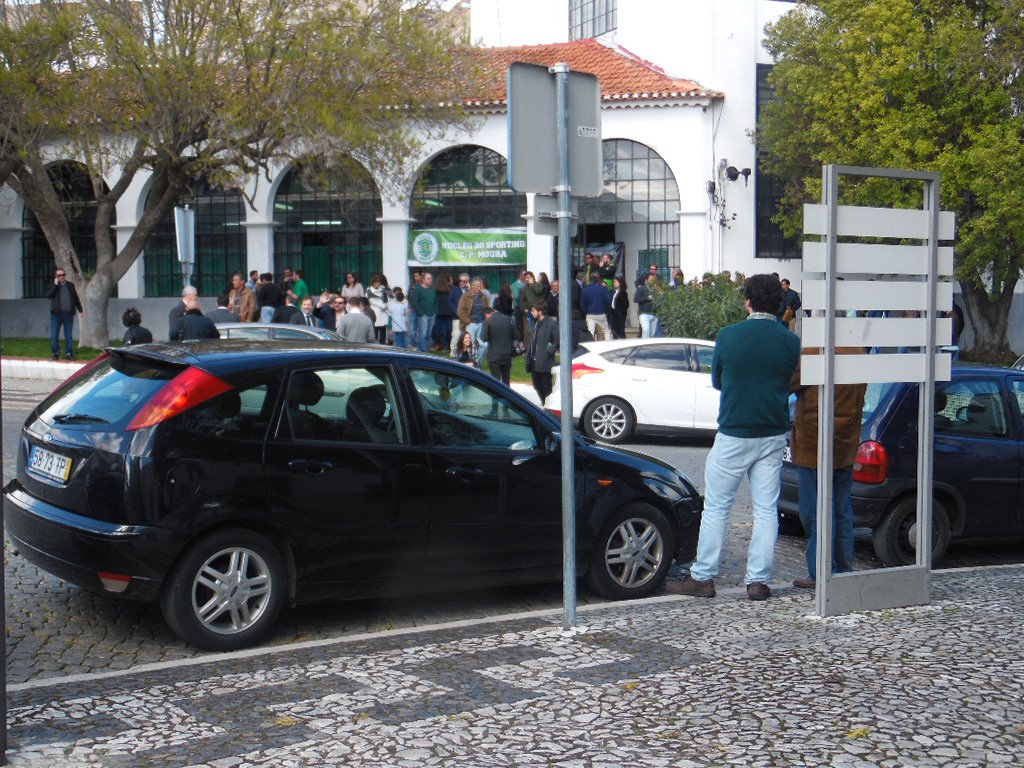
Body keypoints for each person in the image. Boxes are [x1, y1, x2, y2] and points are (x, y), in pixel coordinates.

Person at [665, 274, 800, 601]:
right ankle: (758, 581)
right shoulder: (790, 341)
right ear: (779, 303)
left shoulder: (729, 335)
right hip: (773, 432)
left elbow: (717, 381)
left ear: (748, 301)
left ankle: (703, 577)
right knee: (766, 509)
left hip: (735, 430)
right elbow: (790, 382)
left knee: (717, 506)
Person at [790, 347, 867, 589]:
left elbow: (789, 384)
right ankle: (844, 568)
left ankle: (821, 572)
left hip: (815, 445)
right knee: (842, 511)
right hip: (845, 445)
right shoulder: (859, 354)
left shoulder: (815, 352)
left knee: (815, 513)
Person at [46, 267, 84, 360]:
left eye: (63, 275)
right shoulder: (53, 285)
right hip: (56, 315)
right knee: (54, 335)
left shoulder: (70, 285)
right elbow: (49, 296)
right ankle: (55, 353)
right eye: (59, 275)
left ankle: (69, 353)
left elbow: (75, 298)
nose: (62, 277)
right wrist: (55, 285)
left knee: (68, 335)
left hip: (68, 314)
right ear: (56, 276)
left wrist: (80, 310)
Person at [527, 300, 559, 405]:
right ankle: (544, 402)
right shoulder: (536, 323)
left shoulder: (552, 323)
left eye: (533, 311)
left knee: (546, 385)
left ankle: (548, 405)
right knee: (536, 385)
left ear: (540, 311)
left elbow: (558, 340)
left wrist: (549, 351)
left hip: (545, 360)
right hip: (534, 360)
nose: (532, 313)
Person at [480, 305, 518, 385]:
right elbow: (516, 335)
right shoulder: (508, 319)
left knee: (496, 383)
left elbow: (483, 338)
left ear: (486, 314)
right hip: (507, 355)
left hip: (494, 356)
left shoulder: (487, 321)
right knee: (506, 382)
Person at [458, 277, 491, 364]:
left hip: (481, 323)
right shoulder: (465, 296)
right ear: (472, 286)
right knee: (470, 345)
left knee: (485, 345)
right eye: (478, 286)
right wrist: (468, 321)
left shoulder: (483, 296)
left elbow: (487, 309)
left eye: (480, 286)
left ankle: (477, 363)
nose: (480, 288)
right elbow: (460, 311)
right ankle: (470, 363)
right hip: (470, 324)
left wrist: (486, 320)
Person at [410, 271, 436, 352]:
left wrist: (434, 312)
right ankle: (422, 350)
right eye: (429, 279)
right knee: (423, 334)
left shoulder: (432, 289)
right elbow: (414, 302)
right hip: (423, 315)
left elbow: (435, 301)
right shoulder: (418, 289)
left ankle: (426, 349)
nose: (431, 280)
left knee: (428, 334)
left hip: (431, 315)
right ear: (423, 280)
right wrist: (421, 313)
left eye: (431, 278)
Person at [581, 273, 612, 341]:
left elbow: (583, 304)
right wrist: (606, 310)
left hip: (590, 314)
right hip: (601, 313)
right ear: (597, 281)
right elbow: (607, 300)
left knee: (590, 332)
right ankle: (608, 344)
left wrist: (585, 312)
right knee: (606, 330)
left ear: (589, 281)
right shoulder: (602, 289)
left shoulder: (585, 290)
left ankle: (590, 345)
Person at [449, 272, 470, 357]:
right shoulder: (454, 289)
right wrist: (456, 312)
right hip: (457, 317)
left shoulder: (470, 291)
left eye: (464, 281)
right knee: (456, 335)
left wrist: (469, 289)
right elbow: (450, 302)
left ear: (467, 282)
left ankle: (465, 353)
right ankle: (453, 354)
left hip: (467, 318)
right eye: (460, 280)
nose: (461, 282)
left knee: (467, 337)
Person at [432, 273, 453, 350]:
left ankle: (438, 343)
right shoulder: (450, 288)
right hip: (449, 312)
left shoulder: (436, 289)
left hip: (439, 311)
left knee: (438, 329)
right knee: (448, 329)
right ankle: (448, 344)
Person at [366, 275, 390, 345]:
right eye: (377, 282)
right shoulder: (369, 290)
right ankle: (375, 345)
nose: (379, 284)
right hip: (375, 311)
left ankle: (383, 344)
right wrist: (382, 306)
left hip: (383, 312)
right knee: (375, 329)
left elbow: (387, 298)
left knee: (383, 329)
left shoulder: (382, 289)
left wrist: (386, 305)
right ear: (373, 283)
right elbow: (371, 301)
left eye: (379, 282)